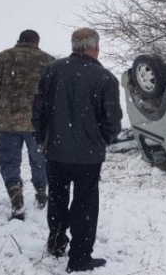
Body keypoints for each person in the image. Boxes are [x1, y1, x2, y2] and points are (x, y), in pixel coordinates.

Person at [32, 27, 123, 273]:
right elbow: (113, 120)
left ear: (74, 46)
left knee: (58, 199)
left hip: (56, 151)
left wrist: (42, 138)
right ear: (95, 47)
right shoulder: (104, 78)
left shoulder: (52, 70)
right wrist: (101, 139)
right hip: (88, 156)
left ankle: (57, 243)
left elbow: (38, 109)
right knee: (85, 204)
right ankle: (80, 257)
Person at [0, 29, 55, 220]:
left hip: (8, 123)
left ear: (19, 40)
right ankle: (41, 192)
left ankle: (16, 198)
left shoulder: (2, 58)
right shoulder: (47, 61)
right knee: (40, 161)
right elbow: (55, 94)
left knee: (9, 162)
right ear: (36, 42)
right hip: (36, 124)